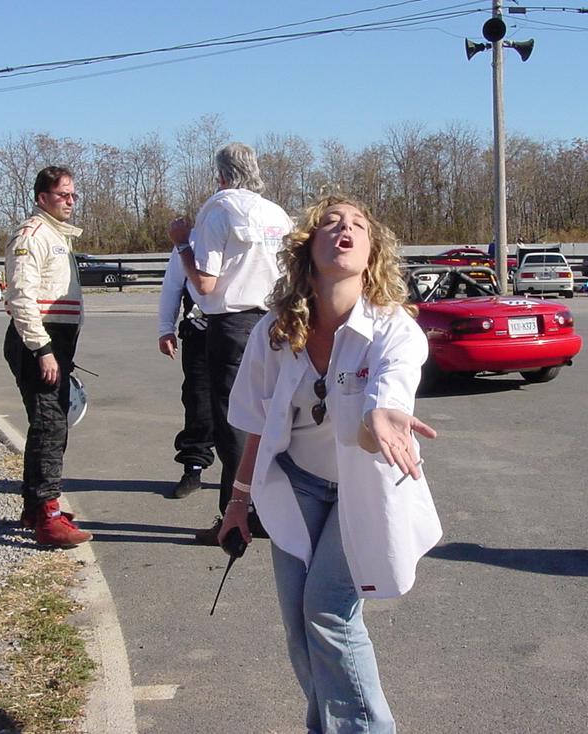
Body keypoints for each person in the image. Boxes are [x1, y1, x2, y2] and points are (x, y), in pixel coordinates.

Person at [220, 195, 443, 733]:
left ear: (371, 252)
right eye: (331, 223)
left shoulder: (392, 328)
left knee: (328, 612)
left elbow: (395, 378)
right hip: (296, 486)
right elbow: (255, 422)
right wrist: (238, 502)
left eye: (358, 225)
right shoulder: (275, 331)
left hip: (362, 492)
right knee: (300, 626)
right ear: (308, 247)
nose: (345, 229)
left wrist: (383, 411)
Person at [169, 142, 292, 544]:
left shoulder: (218, 210)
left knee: (235, 422)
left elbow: (205, 283)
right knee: (273, 417)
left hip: (233, 323)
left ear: (221, 175)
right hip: (278, 322)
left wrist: (182, 243)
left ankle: (236, 515)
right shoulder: (276, 214)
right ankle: (272, 511)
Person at [3, 166, 92, 547]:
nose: (70, 201)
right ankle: (48, 516)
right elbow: (20, 297)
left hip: (57, 340)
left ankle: (35, 507)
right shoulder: (32, 234)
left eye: (73, 195)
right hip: (38, 340)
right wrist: (42, 349)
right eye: (62, 195)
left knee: (50, 425)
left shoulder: (58, 234)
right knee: (50, 426)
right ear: (42, 198)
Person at [158, 246, 214, 498]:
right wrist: (165, 329)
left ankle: (247, 478)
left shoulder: (249, 229)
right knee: (198, 403)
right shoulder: (189, 239)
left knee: (247, 408)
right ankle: (193, 468)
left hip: (244, 332)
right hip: (199, 334)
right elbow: (172, 286)